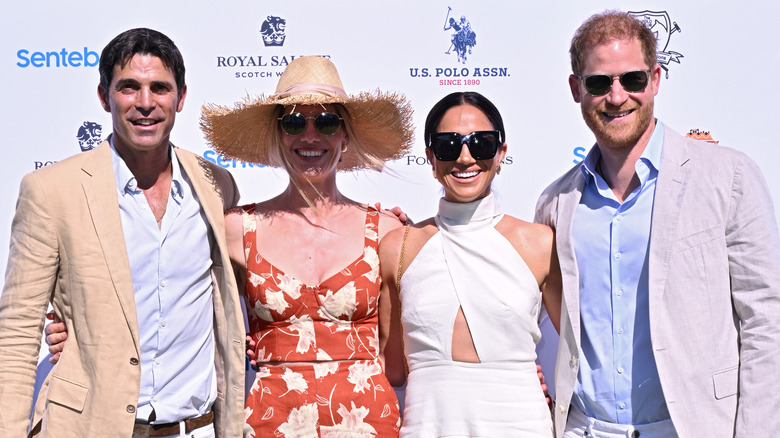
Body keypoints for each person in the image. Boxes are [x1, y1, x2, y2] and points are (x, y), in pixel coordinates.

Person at [534, 10, 780, 438]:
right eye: (598, 83)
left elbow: (766, 320)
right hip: (584, 431)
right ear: (577, 89)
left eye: (631, 80)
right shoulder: (556, 203)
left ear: (655, 80)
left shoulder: (729, 176)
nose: (616, 97)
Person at [0, 28, 245, 437]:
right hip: (89, 427)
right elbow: (19, 329)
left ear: (181, 98)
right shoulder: (51, 191)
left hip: (195, 428)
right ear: (104, 96)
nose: (145, 103)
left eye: (159, 88)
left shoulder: (216, 184)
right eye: (129, 87)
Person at [200, 55, 413, 436]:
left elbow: (400, 360)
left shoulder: (385, 231)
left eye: (327, 121)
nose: (310, 135)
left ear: (345, 135)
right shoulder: (236, 229)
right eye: (294, 122)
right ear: (278, 134)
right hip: (270, 422)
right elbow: (176, 300)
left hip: (369, 422)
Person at [379, 91, 561, 437]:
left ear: (501, 153)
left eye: (481, 143)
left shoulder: (539, 243)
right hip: (428, 425)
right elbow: (391, 367)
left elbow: (580, 348)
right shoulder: (396, 247)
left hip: (521, 424)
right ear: (431, 158)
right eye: (449, 145)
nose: (465, 157)